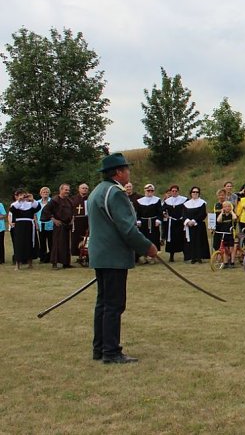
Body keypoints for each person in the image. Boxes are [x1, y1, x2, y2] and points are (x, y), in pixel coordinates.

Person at [88, 153, 158, 364]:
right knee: (114, 305)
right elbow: (128, 229)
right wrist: (148, 247)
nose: (129, 172)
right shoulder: (116, 193)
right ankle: (111, 352)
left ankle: (99, 348)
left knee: (103, 303)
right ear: (118, 172)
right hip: (113, 256)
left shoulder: (97, 191)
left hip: (101, 255)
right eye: (126, 169)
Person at [44, 183, 74, 269]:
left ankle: (66, 263)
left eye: (68, 190)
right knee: (57, 244)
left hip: (67, 225)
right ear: (61, 190)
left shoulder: (69, 200)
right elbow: (46, 210)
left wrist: (72, 219)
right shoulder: (55, 200)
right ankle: (54, 263)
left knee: (66, 244)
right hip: (59, 225)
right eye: (66, 190)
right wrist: (54, 219)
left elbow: (72, 211)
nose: (67, 191)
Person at [9, 189, 40, 270]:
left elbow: (37, 208)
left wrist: (32, 199)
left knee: (29, 243)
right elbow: (12, 210)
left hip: (29, 225)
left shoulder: (30, 204)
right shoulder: (16, 204)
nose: (23, 196)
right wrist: (19, 201)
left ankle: (30, 264)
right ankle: (17, 265)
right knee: (19, 244)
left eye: (24, 195)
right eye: (21, 195)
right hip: (19, 226)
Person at [183, 186, 209, 264]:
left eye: (197, 192)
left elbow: (203, 214)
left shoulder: (202, 203)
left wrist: (194, 221)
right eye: (193, 192)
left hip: (199, 225)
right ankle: (192, 257)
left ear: (199, 193)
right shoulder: (186, 204)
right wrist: (188, 221)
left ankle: (199, 257)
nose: (195, 193)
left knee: (199, 241)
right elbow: (184, 214)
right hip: (189, 226)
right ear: (191, 193)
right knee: (191, 241)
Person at [136, 184, 162, 255]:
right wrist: (138, 220)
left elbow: (160, 212)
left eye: (152, 190)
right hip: (143, 223)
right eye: (148, 190)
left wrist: (158, 220)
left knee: (154, 238)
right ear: (145, 191)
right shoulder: (139, 201)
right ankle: (144, 255)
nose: (150, 192)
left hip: (154, 222)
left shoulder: (157, 200)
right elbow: (138, 213)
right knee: (144, 238)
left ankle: (154, 255)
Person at [162, 185, 187, 262]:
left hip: (181, 222)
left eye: (176, 191)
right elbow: (163, 209)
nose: (174, 192)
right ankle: (171, 256)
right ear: (171, 192)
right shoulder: (167, 201)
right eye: (173, 191)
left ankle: (185, 255)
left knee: (182, 238)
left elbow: (187, 208)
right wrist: (164, 213)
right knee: (171, 239)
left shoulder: (184, 200)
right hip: (171, 222)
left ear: (178, 191)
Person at [212, 201, 237, 267]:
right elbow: (218, 220)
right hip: (224, 234)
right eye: (225, 207)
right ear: (223, 208)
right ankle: (225, 262)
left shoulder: (232, 214)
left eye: (229, 206)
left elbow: (235, 218)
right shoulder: (222, 215)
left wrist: (232, 212)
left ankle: (232, 262)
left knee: (231, 249)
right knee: (225, 248)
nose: (227, 208)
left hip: (230, 233)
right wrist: (222, 212)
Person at [70, 183, 89, 263]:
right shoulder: (73, 199)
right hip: (76, 221)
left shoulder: (90, 198)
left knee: (86, 237)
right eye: (83, 188)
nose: (84, 189)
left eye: (86, 188)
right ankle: (77, 254)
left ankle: (86, 255)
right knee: (76, 237)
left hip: (87, 220)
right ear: (79, 189)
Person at [36, 187, 53, 263]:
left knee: (51, 242)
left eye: (46, 192)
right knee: (42, 242)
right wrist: (36, 223)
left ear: (49, 193)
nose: (45, 194)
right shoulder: (37, 203)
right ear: (40, 194)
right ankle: (42, 258)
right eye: (43, 192)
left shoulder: (52, 202)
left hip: (50, 224)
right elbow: (35, 214)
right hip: (41, 224)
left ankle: (51, 257)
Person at [0, 199, 6, 264]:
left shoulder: (0, 205)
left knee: (0, 244)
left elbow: (4, 215)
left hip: (0, 228)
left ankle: (1, 259)